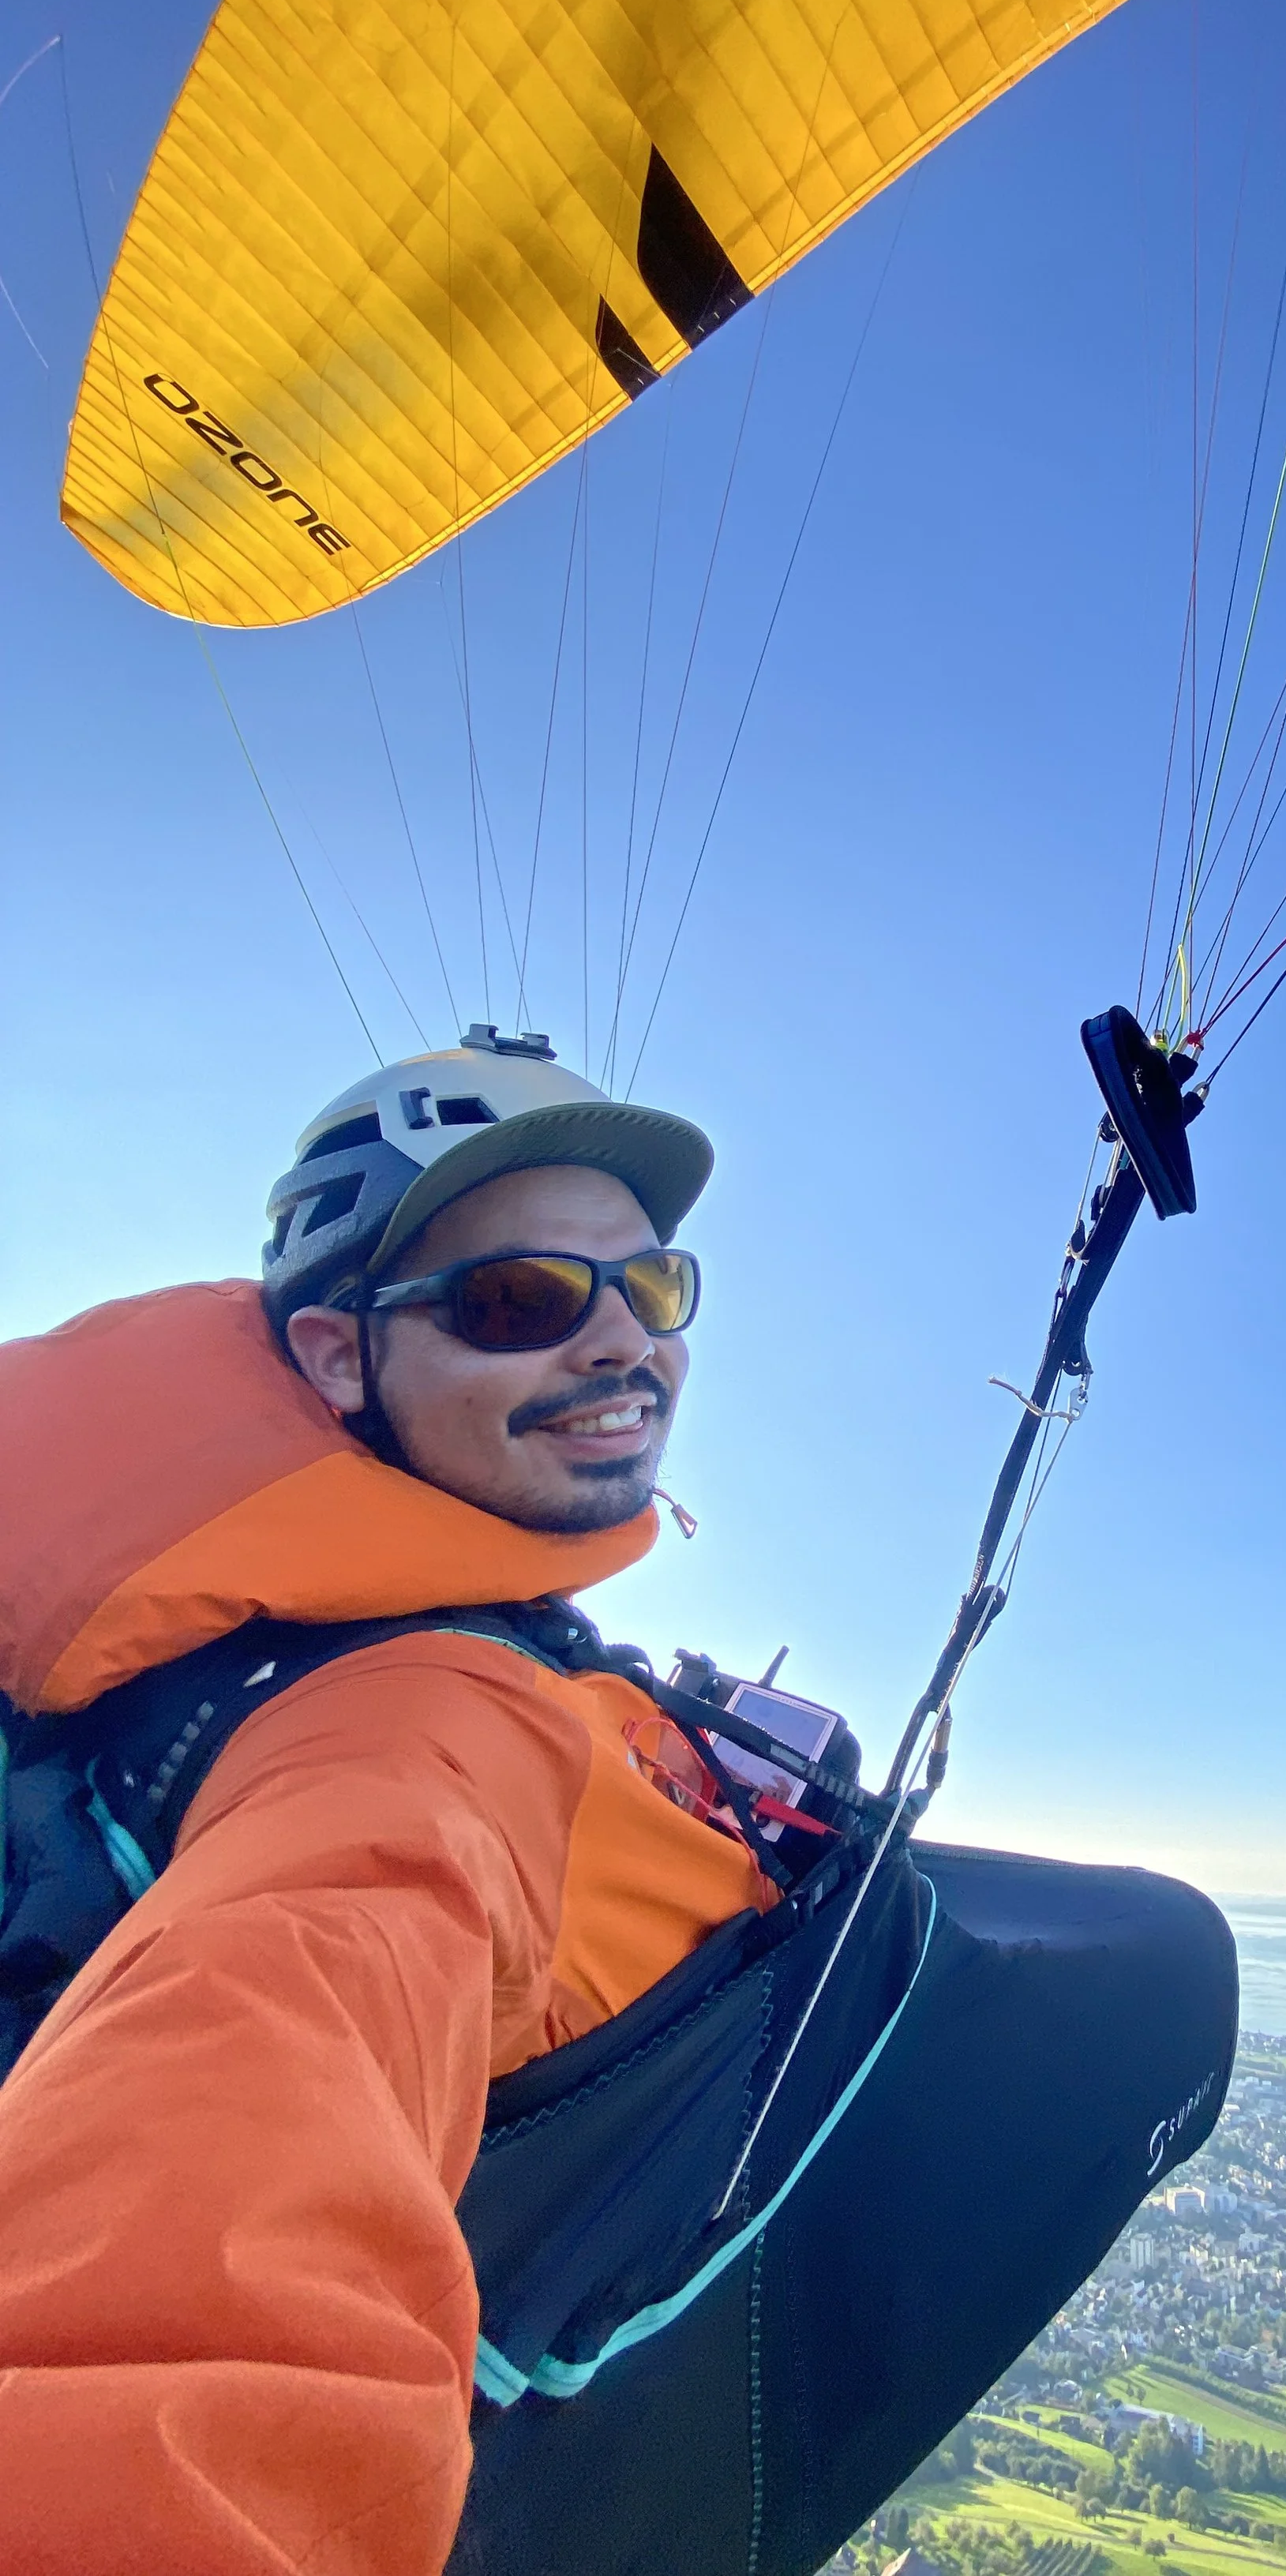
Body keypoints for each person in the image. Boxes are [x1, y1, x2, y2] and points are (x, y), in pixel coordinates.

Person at [0, 1028, 770, 2576]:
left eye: (652, 1285)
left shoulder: (232, 1608)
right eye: (521, 1300)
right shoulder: (423, 1724)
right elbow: (187, 2323)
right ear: (340, 1356)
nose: (623, 1343)